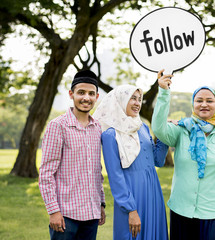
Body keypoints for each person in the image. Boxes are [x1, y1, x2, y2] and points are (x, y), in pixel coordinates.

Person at [151, 70, 215, 240]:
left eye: (209, 101)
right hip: (181, 210)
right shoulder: (181, 129)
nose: (204, 104)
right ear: (193, 104)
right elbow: (159, 129)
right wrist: (164, 92)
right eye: (199, 100)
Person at [93, 85, 169, 240]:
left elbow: (158, 161)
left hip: (153, 192)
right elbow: (115, 176)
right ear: (120, 100)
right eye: (132, 98)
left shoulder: (143, 128)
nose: (137, 103)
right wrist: (131, 209)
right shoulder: (110, 135)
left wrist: (164, 133)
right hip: (131, 195)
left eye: (139, 99)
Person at [39, 70, 106, 240]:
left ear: (96, 97)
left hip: (91, 214)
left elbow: (96, 169)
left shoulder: (97, 127)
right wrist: (53, 211)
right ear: (71, 94)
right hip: (66, 215)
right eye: (81, 92)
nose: (86, 98)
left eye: (91, 94)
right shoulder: (58, 126)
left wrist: (101, 204)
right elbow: (46, 173)